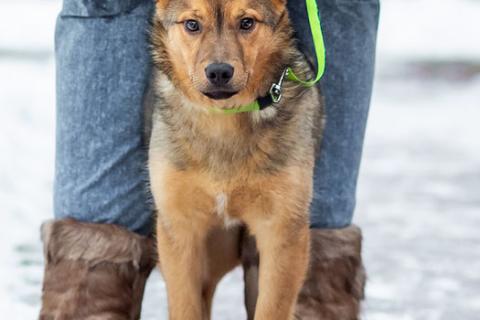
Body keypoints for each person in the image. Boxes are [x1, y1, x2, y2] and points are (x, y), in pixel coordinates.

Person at [39, 0, 380, 319]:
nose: (219, 60)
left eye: (245, 23)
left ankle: (313, 301)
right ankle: (86, 297)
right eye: (193, 25)